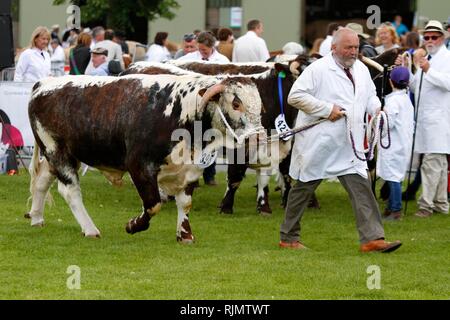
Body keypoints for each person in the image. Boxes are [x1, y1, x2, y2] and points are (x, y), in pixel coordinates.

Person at [279, 28, 402, 253]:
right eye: (349, 47)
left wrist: (376, 109)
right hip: (320, 142)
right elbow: (295, 96)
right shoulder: (318, 70)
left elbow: (369, 96)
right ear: (334, 47)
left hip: (349, 144)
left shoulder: (362, 69)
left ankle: (372, 238)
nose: (354, 52)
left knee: (362, 187)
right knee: (302, 190)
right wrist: (327, 109)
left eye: (356, 47)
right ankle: (288, 237)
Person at [397, 20, 450, 217]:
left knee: (431, 164)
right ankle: (441, 204)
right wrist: (405, 70)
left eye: (433, 37)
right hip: (426, 121)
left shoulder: (446, 58)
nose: (429, 40)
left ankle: (425, 206)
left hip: (439, 121)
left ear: (442, 38)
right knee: (439, 165)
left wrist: (428, 69)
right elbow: (416, 89)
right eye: (426, 37)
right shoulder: (427, 59)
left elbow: (448, 83)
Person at [376, 67, 414, 220]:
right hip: (403, 143)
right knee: (395, 176)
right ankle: (390, 206)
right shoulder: (406, 100)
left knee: (392, 177)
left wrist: (380, 117)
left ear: (391, 82)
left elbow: (388, 124)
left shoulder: (392, 102)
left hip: (393, 144)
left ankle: (396, 210)